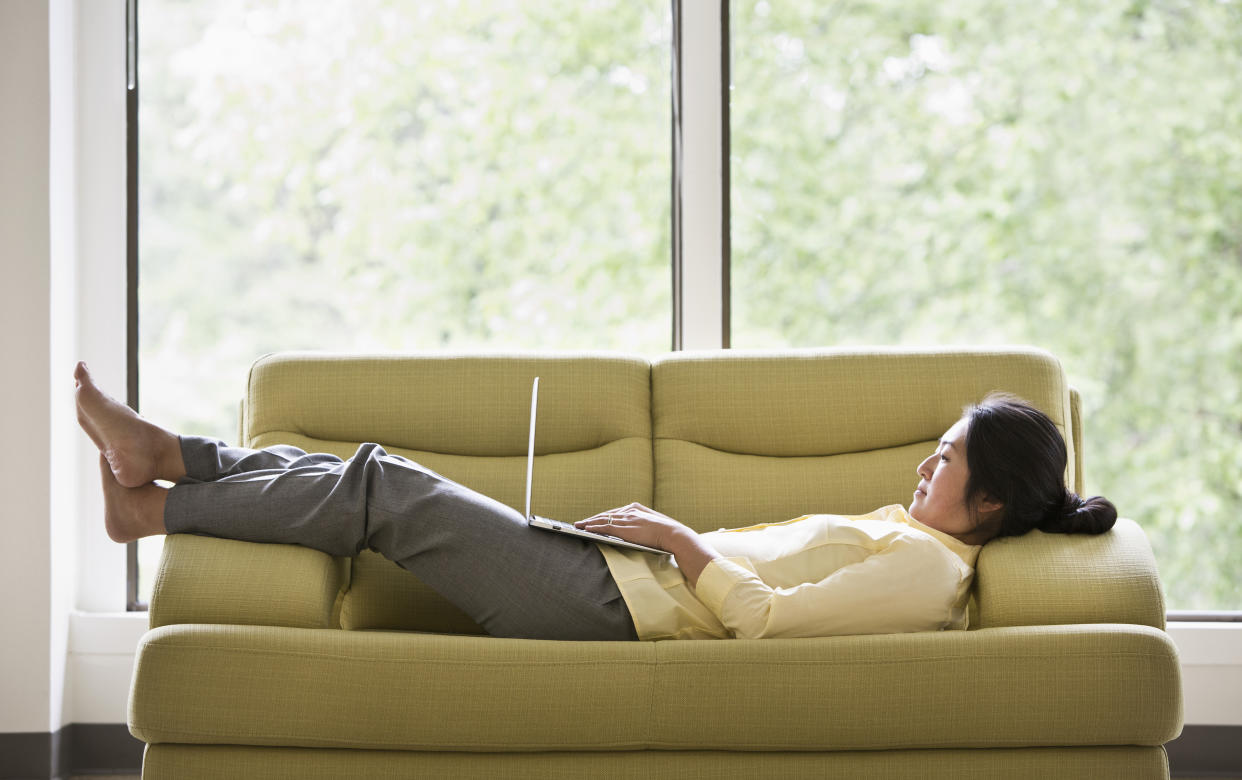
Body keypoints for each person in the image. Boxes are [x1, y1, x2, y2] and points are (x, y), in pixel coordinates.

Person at [73, 362, 1116, 642]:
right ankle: (169, 462)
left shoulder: (932, 570)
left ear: (989, 506)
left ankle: (158, 498)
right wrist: (660, 545)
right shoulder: (912, 534)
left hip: (616, 611)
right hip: (617, 580)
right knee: (372, 477)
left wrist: (673, 539)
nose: (921, 471)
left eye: (943, 463)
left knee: (386, 486)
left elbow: (774, 623)